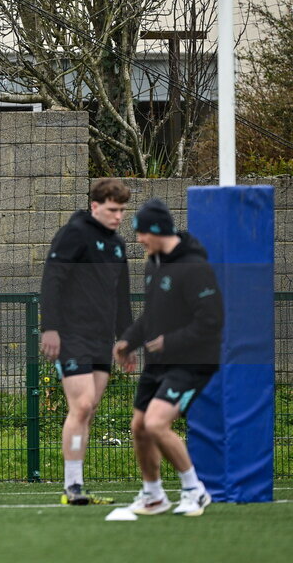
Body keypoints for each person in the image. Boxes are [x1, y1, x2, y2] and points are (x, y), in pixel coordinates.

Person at [114, 198, 223, 517]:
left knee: (157, 423)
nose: (138, 240)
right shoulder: (154, 264)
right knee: (139, 427)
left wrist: (168, 341)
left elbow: (212, 320)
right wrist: (127, 342)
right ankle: (153, 495)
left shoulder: (194, 268)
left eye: (142, 233)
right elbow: (150, 317)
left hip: (193, 362)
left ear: (159, 230)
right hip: (158, 363)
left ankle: (194, 490)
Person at [40, 178, 133, 505]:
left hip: (101, 339)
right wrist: (49, 327)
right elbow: (52, 277)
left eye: (122, 210)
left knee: (89, 410)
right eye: (112, 209)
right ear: (95, 206)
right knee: (80, 405)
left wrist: (126, 339)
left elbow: (121, 295)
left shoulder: (118, 245)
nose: (118, 216)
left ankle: (77, 483)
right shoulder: (74, 233)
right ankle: (72, 487)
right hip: (71, 335)